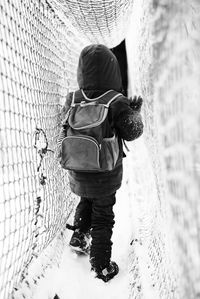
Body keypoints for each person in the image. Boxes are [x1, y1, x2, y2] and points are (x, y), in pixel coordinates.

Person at [58, 44, 143, 282]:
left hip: (78, 168)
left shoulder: (73, 98)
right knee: (103, 217)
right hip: (105, 173)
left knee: (85, 200)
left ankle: (79, 236)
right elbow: (132, 132)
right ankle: (101, 265)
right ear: (113, 71)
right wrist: (133, 112)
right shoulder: (116, 101)